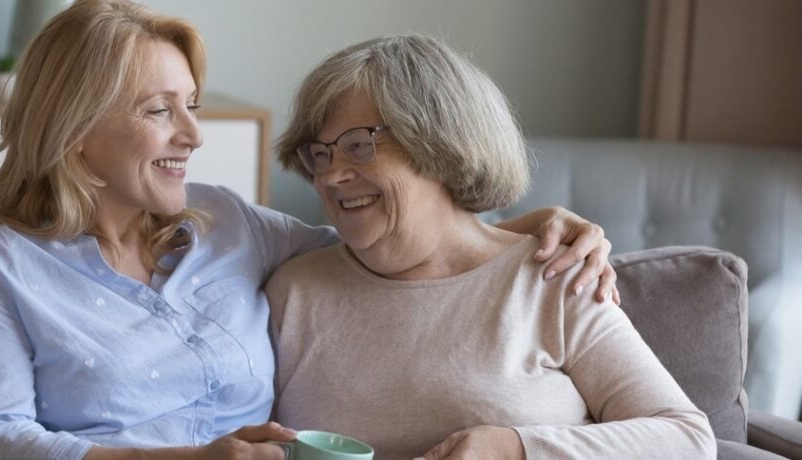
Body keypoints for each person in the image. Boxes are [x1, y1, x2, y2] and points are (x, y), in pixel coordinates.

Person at [0, 1, 618, 458]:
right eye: (160, 110)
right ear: (75, 131)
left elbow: (385, 241)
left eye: (192, 106)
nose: (194, 134)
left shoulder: (228, 222)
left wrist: (526, 228)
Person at [267, 34, 716, 460]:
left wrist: (517, 449)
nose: (329, 176)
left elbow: (687, 439)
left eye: (359, 147)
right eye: (320, 154)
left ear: (439, 145)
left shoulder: (555, 277)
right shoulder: (292, 292)